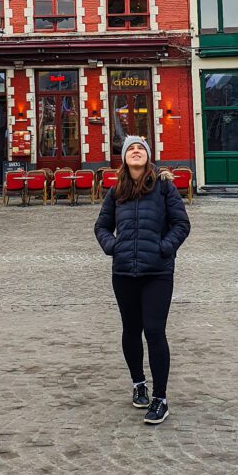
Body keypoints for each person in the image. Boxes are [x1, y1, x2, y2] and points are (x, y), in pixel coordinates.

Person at [94, 136, 190, 426]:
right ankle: (138, 383)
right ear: (124, 158)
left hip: (157, 273)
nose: (136, 152)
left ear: (148, 157)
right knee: (131, 330)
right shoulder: (116, 190)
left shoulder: (164, 187)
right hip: (124, 272)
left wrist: (164, 249)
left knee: (154, 331)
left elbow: (182, 224)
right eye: (130, 149)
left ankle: (160, 398)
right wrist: (113, 247)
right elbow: (101, 226)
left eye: (141, 149)